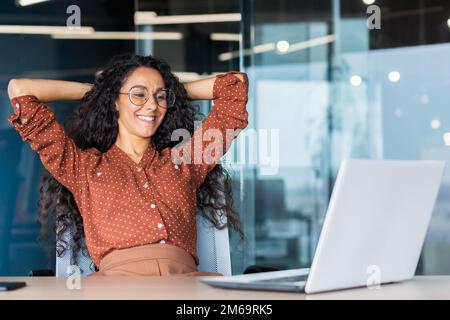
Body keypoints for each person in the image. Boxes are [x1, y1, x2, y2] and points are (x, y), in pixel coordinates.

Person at [7, 53, 249, 276]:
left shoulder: (187, 162)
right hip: (116, 289)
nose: (152, 105)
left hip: (186, 285)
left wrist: (171, 90)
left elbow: (234, 86)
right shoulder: (82, 167)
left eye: (160, 96)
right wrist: (101, 92)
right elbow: (21, 90)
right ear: (114, 101)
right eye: (138, 94)